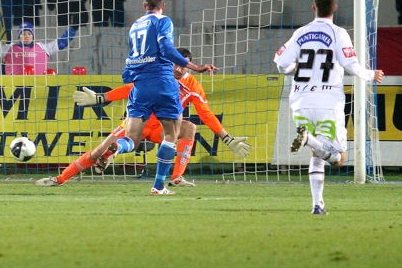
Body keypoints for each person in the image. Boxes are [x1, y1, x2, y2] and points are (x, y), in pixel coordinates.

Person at [36, 47, 252, 188]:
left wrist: (226, 138)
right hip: (137, 123)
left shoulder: (193, 86)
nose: (177, 68)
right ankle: (60, 178)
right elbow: (130, 88)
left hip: (161, 129)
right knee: (98, 151)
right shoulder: (158, 74)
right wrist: (103, 97)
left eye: (182, 64)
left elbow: (206, 114)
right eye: (175, 63)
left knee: (189, 128)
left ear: (188, 66)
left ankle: (176, 177)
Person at [274, 0, 383, 214]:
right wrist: (371, 75)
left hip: (301, 101)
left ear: (314, 7)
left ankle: (318, 204)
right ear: (335, 7)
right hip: (328, 102)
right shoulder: (339, 33)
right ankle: (310, 141)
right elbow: (350, 65)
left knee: (319, 154)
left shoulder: (301, 32)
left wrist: (292, 69)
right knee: (339, 158)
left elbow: (280, 61)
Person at [122, 0, 215, 194]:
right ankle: (158, 186)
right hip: (163, 82)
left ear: (144, 6)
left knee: (131, 138)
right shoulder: (163, 21)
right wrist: (195, 67)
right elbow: (165, 48)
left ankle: (117, 148)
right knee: (171, 135)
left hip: (140, 84)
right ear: (163, 6)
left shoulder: (135, 26)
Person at [0, 21, 77, 75]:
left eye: (29, 34)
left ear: (33, 36)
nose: (27, 36)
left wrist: (73, 28)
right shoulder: (9, 48)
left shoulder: (43, 48)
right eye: (23, 34)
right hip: (13, 87)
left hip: (39, 88)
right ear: (19, 36)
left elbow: (62, 42)